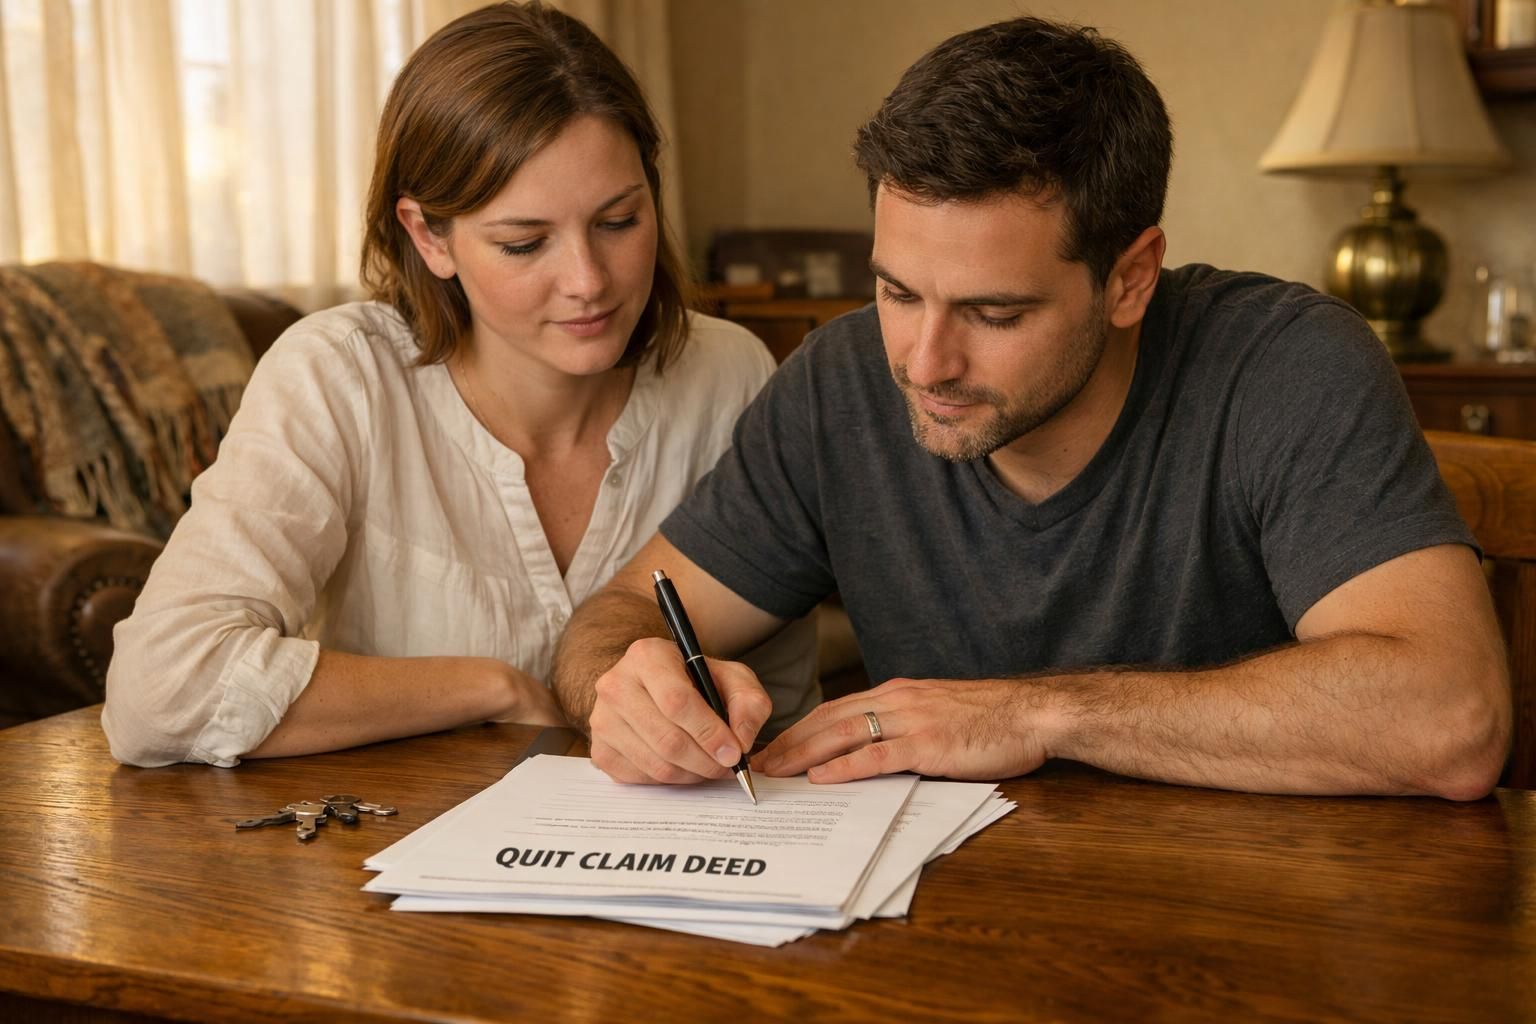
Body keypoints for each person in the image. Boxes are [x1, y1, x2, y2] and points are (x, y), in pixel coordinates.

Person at [550, 15, 1511, 800]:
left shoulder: (1286, 367)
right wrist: (621, 687)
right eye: (896, 292)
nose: (924, 361)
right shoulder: (840, 383)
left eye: (995, 312)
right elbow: (624, 608)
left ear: (1130, 279)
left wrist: (1032, 714)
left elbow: (1450, 717)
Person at [101, 1, 818, 767]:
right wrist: (493, 689)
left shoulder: (730, 373)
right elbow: (159, 692)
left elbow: (776, 701)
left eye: (618, 221)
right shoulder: (340, 378)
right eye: (523, 242)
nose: (588, 281)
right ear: (427, 235)